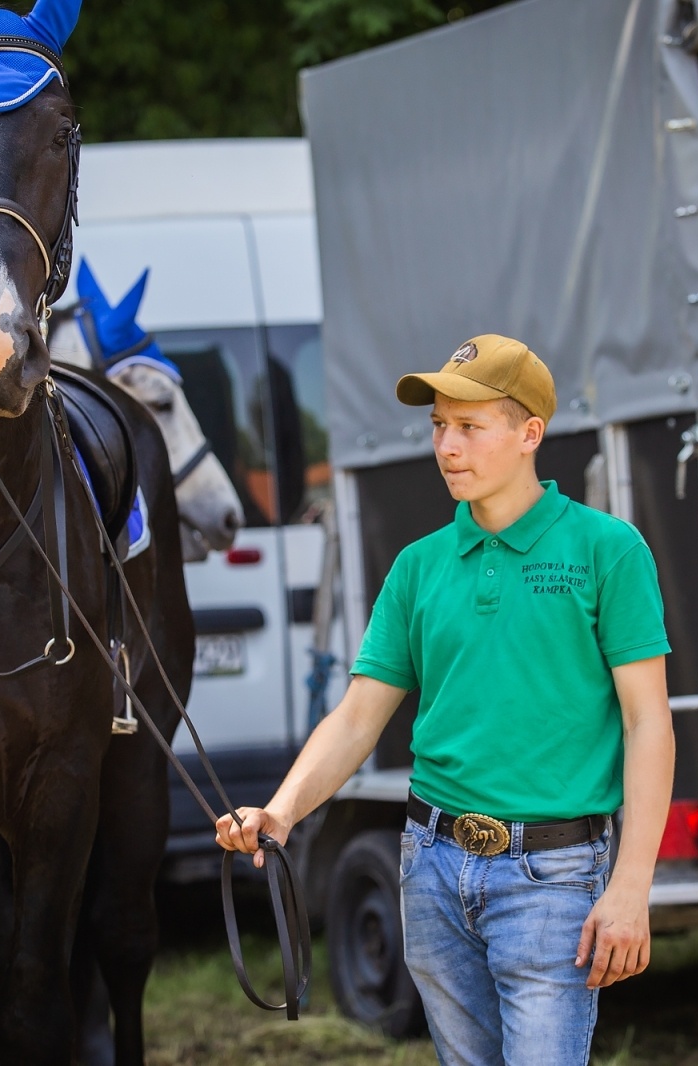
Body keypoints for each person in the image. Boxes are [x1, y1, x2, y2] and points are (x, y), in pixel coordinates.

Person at [215, 334, 674, 1065]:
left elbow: (649, 722)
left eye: (469, 426)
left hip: (553, 876)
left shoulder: (605, 550)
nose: (446, 446)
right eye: (437, 426)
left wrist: (632, 885)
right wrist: (282, 810)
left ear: (529, 434)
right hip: (429, 864)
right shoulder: (417, 567)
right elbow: (361, 713)